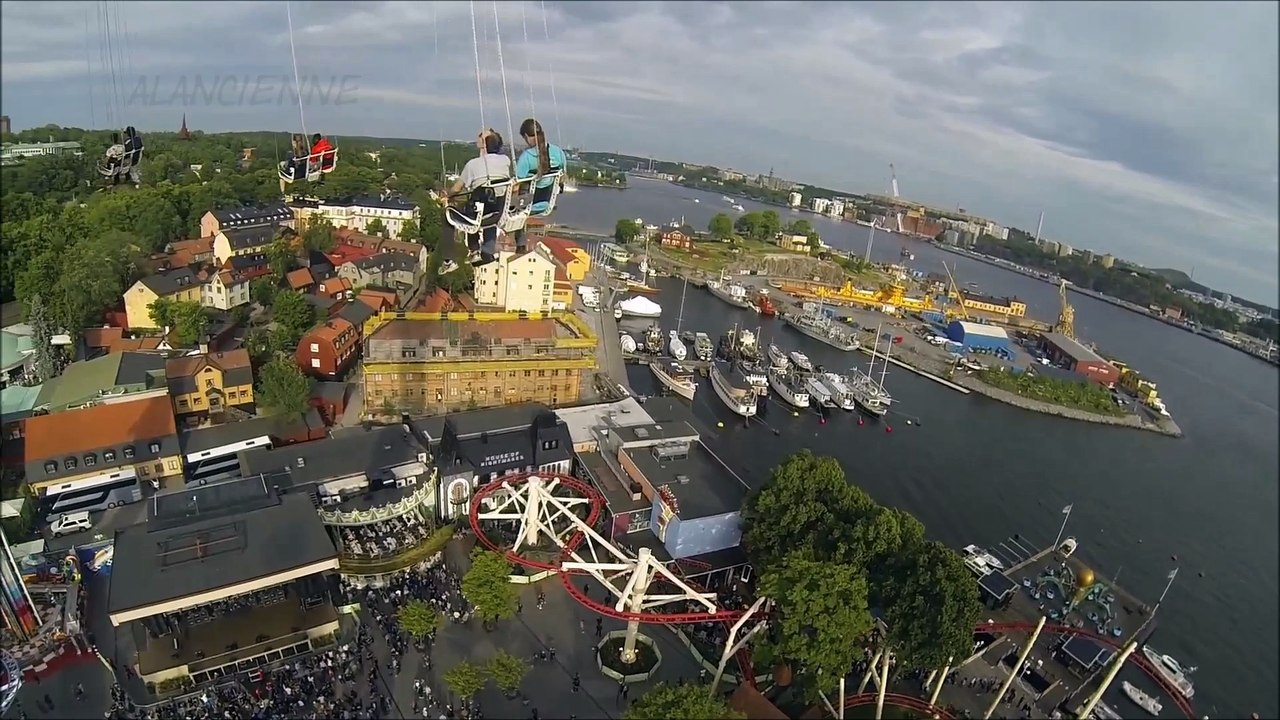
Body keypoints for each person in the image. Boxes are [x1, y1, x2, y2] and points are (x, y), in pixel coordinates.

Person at [436, 129, 512, 273]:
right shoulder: (505, 161)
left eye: (482, 137)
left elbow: (457, 188)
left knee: (448, 214)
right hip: (497, 212)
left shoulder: (472, 165)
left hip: (478, 215)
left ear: (484, 144)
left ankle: (449, 260)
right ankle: (483, 251)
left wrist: (448, 194)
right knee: (478, 205)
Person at [511, 117, 567, 252]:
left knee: (514, 204)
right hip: (547, 202)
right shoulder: (559, 153)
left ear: (526, 136)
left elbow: (517, 185)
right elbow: (563, 178)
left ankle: (520, 243)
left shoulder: (527, 157)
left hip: (529, 203)